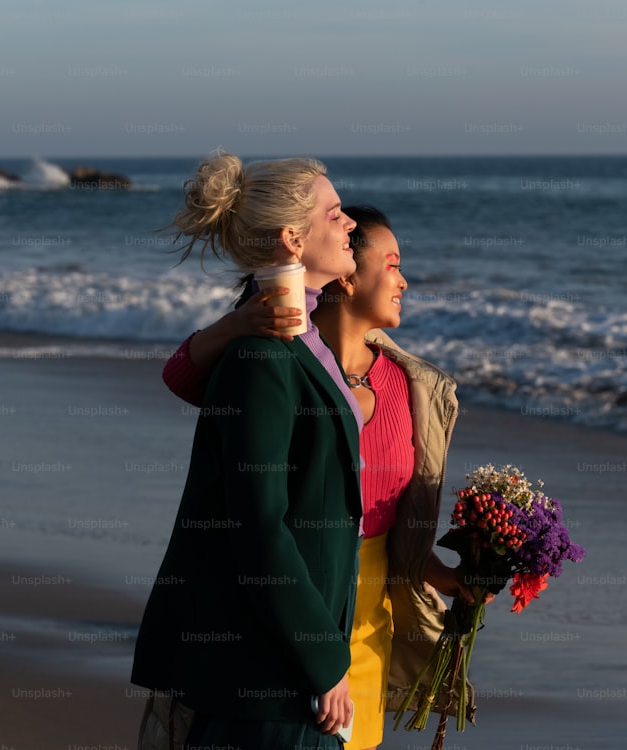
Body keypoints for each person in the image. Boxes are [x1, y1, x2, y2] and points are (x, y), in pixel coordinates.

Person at [159, 206, 479, 750]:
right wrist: (237, 323)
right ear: (348, 273)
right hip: (287, 612)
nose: (404, 280)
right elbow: (186, 378)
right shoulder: (286, 363)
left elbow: (390, 528)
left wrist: (453, 577)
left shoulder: (413, 389)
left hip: (370, 627)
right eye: (393, 263)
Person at [131, 152, 363, 750]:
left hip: (291, 668)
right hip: (271, 678)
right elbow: (259, 527)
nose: (350, 225)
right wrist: (322, 656)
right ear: (292, 238)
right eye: (334, 214)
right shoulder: (261, 354)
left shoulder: (303, 341)